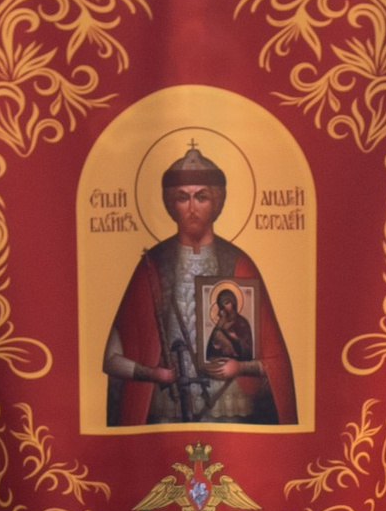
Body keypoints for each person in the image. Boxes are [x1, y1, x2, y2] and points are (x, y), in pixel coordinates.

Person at [102, 147, 298, 427]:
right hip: (166, 411)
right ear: (171, 204)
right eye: (183, 197)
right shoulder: (152, 266)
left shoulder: (240, 264)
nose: (192, 207)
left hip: (231, 408)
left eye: (201, 196)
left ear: (216, 201)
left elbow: (274, 359)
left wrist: (239, 367)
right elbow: (111, 359)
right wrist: (153, 374)